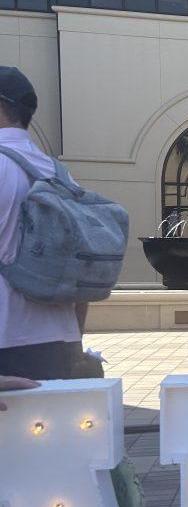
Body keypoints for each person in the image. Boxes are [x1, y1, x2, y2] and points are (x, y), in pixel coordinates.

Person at [0, 67, 89, 380]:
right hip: (58, 340)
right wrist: (75, 339)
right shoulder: (57, 172)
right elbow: (81, 261)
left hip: (5, 338)